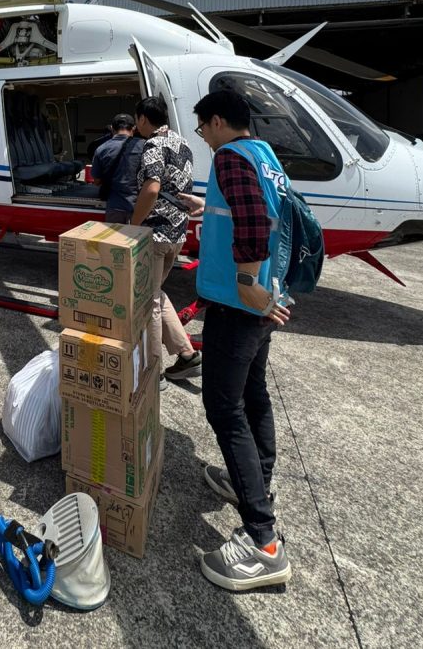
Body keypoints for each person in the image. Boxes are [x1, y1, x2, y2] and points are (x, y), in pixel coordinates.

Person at [178, 88, 292, 591]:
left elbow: (250, 223)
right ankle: (255, 482)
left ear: (219, 121)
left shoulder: (229, 156)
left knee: (224, 408)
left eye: (203, 128)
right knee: (253, 393)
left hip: (239, 304)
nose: (203, 137)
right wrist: (205, 206)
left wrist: (248, 285)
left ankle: (263, 541)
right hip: (264, 300)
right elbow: (267, 214)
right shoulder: (264, 155)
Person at [129, 96, 201, 388]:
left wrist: (133, 225)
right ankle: (186, 355)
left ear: (144, 119)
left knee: (150, 303)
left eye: (138, 120)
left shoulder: (153, 145)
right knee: (155, 293)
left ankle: (153, 371)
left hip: (155, 233)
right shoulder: (182, 143)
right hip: (178, 233)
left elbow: (152, 188)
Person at [90, 113, 144, 223]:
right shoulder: (144, 146)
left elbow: (96, 181)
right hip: (139, 207)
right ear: (133, 128)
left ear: (112, 128)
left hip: (115, 207)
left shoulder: (101, 149)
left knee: (114, 239)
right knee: (138, 239)